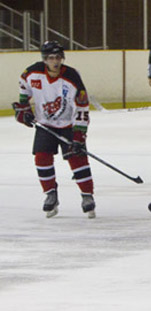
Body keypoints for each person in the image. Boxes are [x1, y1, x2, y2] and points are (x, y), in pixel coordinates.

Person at [13, 41, 96, 219]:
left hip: (69, 125)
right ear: (45, 59)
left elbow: (82, 106)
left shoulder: (72, 76)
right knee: (42, 157)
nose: (55, 62)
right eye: (51, 58)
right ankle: (51, 193)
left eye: (58, 57)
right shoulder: (32, 73)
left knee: (77, 159)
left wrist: (79, 135)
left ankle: (87, 195)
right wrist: (24, 110)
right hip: (45, 125)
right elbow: (23, 89)